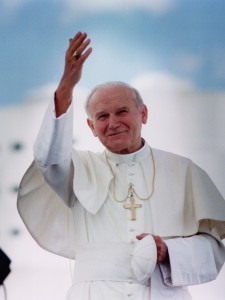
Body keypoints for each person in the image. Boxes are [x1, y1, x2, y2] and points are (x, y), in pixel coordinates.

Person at [17, 32, 225, 300]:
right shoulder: (78, 169)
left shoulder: (183, 170)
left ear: (143, 114)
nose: (113, 122)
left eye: (122, 111)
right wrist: (66, 87)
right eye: (102, 116)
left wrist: (168, 251)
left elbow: (212, 249)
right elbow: (47, 156)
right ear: (92, 127)